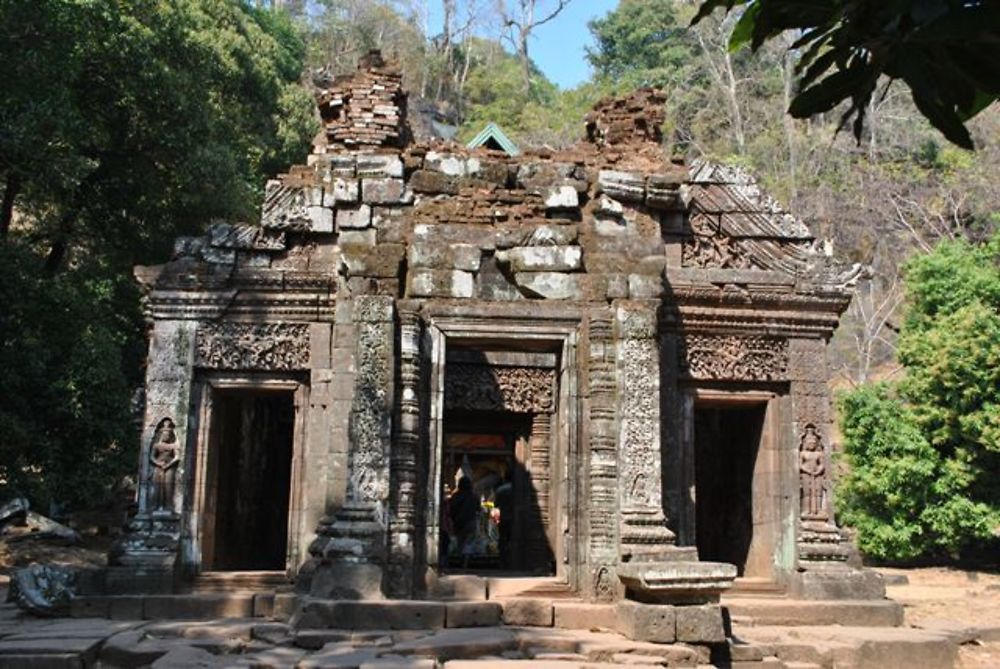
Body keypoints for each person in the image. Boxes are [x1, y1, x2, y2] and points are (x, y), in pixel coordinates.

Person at [449, 476, 480, 569]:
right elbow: (478, 509)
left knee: (460, 542)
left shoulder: (455, 496)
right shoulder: (474, 496)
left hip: (458, 522)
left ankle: (461, 559)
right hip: (470, 521)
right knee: (469, 542)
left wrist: (454, 518)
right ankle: (465, 561)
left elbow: (451, 509)